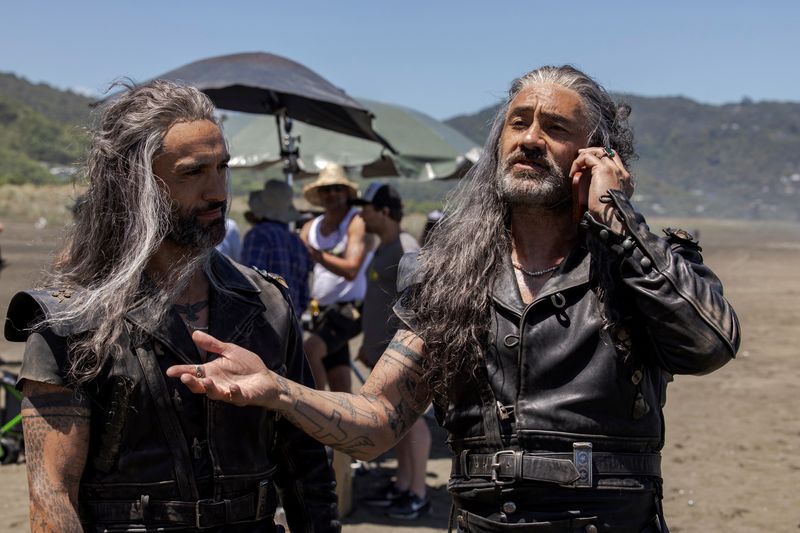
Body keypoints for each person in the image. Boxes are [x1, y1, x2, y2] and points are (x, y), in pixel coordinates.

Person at [168, 65, 740, 532]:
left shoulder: (640, 262)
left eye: (556, 128)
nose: (531, 139)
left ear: (596, 156)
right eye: (519, 122)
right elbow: (377, 422)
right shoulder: (451, 278)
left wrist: (617, 217)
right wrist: (280, 390)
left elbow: (708, 345)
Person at [5, 80, 339, 533]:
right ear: (134, 183)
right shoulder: (70, 321)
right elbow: (53, 500)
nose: (219, 191)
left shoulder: (266, 304)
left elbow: (305, 469)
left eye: (222, 167)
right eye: (193, 172)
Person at [351, 183, 431, 519]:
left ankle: (417, 492)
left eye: (366, 207)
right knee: (399, 424)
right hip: (382, 356)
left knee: (411, 422)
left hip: (401, 361)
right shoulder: (384, 247)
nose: (361, 213)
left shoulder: (406, 249)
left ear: (384, 212)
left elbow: (421, 308)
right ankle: (402, 484)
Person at [299, 164, 375, 392]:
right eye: (326, 189)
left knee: (310, 351)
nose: (331, 194)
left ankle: (315, 414)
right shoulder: (311, 227)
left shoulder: (356, 222)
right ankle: (347, 423)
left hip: (348, 310)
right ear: (319, 195)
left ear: (347, 193)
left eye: (337, 189)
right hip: (320, 311)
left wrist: (317, 255)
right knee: (340, 380)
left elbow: (352, 269)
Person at [241, 179, 312, 317]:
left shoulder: (258, 235)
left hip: (265, 324)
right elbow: (304, 295)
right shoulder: (298, 242)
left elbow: (250, 283)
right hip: (293, 325)